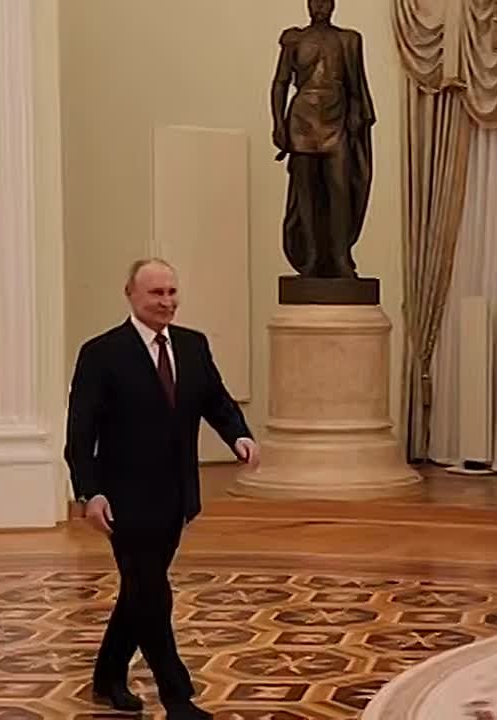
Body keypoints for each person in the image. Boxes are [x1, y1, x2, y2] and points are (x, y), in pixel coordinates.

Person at [64, 257, 259, 720]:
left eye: (171, 292)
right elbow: (80, 433)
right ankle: (177, 697)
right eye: (156, 293)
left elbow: (216, 400)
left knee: (139, 589)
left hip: (177, 496)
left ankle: (108, 676)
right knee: (152, 591)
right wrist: (89, 493)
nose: (166, 302)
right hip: (123, 501)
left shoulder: (193, 345)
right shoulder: (101, 353)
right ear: (130, 294)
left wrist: (239, 435)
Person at [271, 0, 376, 279]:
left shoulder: (348, 40)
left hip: (336, 117)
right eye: (315, 1)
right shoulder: (295, 39)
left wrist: (357, 114)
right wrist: (278, 124)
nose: (320, 7)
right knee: (305, 191)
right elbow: (280, 82)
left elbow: (356, 84)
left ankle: (341, 255)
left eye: (325, 1)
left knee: (340, 188)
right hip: (302, 119)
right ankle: (312, 255)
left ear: (333, 4)